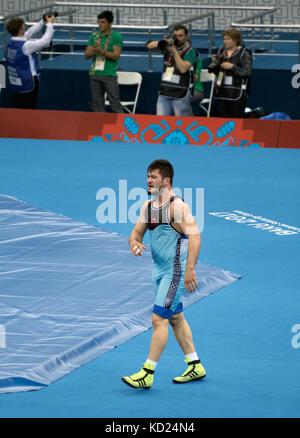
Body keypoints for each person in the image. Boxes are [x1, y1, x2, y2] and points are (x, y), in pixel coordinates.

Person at [122, 159, 206, 389]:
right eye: (148, 176)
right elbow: (136, 233)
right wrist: (134, 243)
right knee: (175, 317)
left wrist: (190, 269)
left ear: (166, 180)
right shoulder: (148, 207)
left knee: (159, 318)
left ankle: (147, 373)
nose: (149, 180)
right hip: (157, 271)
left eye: (154, 177)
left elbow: (195, 236)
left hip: (174, 273)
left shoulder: (178, 207)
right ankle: (195, 365)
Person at [5, 14, 55, 109]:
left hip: (17, 80)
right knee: (28, 109)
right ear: (20, 30)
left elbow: (30, 32)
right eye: (23, 26)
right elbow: (44, 41)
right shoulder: (26, 46)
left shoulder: (11, 41)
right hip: (28, 81)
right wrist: (49, 24)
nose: (25, 27)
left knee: (20, 107)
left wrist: (42, 21)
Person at [146, 26, 197, 117]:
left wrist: (174, 51)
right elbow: (148, 45)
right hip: (164, 94)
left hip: (180, 95)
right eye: (175, 35)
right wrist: (163, 43)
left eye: (180, 36)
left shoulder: (191, 52)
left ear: (186, 37)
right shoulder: (167, 49)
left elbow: (183, 68)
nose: (177, 38)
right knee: (161, 123)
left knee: (181, 125)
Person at [85, 10, 123, 113]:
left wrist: (102, 52)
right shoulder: (94, 36)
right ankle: (100, 127)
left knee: (115, 103)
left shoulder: (116, 36)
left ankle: (122, 127)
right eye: (99, 22)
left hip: (109, 74)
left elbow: (116, 56)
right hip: (94, 73)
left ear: (110, 23)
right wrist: (94, 51)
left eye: (103, 22)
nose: (100, 24)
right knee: (97, 105)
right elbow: (86, 55)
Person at [209, 29, 252, 118]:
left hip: (237, 91)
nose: (225, 41)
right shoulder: (221, 51)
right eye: (224, 39)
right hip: (222, 90)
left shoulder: (244, 53)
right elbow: (217, 72)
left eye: (228, 39)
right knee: (223, 119)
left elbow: (247, 73)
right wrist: (215, 63)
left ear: (236, 40)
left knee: (237, 119)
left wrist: (232, 67)